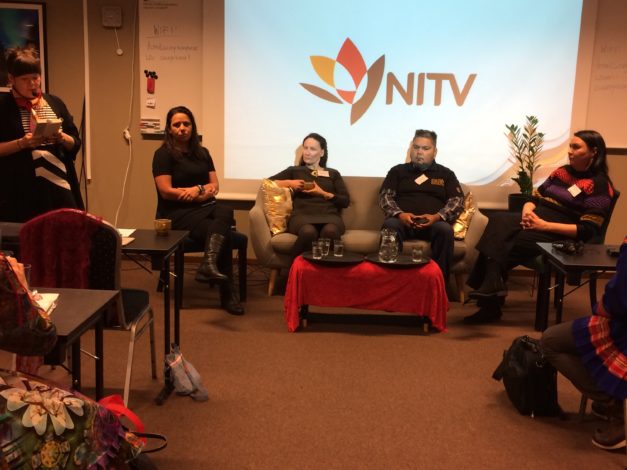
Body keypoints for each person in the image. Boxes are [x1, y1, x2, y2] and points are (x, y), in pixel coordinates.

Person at [463, 130, 616, 324]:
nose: (570, 151)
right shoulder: (562, 172)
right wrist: (527, 211)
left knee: (504, 241)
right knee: (497, 220)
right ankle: (492, 286)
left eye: (576, 147)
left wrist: (544, 225)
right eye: (570, 146)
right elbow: (534, 198)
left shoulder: (599, 184)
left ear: (594, 152)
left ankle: (491, 299)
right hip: (537, 220)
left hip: (561, 233)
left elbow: (588, 230)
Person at [152, 106, 243, 315]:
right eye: (177, 124)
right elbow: (166, 191)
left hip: (204, 206)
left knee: (225, 210)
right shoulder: (163, 154)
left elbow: (214, 186)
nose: (182, 128)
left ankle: (208, 264)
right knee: (225, 232)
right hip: (177, 213)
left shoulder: (203, 153)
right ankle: (228, 295)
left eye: (186, 124)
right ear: (169, 129)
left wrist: (198, 190)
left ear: (192, 127)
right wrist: (198, 193)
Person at [541, 236, 627, 450]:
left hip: (622, 327)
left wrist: (603, 307)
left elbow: (619, 299)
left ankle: (616, 404)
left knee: (550, 341)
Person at [0, 47, 83, 222]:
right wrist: (21, 144)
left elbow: (75, 142)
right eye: (25, 79)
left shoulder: (54, 102)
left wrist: (61, 137)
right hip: (20, 190)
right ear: (11, 79)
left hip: (59, 183)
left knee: (66, 231)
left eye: (35, 77)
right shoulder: (3, 106)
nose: (32, 84)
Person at [379, 129, 464, 281]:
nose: (419, 152)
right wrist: (400, 214)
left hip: (434, 223)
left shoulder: (446, 174)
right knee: (390, 225)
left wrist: (437, 217)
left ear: (435, 152)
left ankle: (439, 282)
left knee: (445, 230)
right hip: (402, 222)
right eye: (416, 147)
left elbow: (457, 201)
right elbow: (385, 197)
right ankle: (390, 281)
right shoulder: (397, 171)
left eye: (425, 148)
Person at [270, 132, 350, 258]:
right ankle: (295, 268)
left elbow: (345, 201)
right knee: (308, 232)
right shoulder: (294, 171)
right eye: (305, 148)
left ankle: (329, 270)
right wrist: (289, 183)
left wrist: (322, 193)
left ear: (322, 153)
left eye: (312, 149)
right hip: (302, 217)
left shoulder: (333, 173)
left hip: (329, 216)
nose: (307, 152)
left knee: (330, 231)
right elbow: (267, 183)